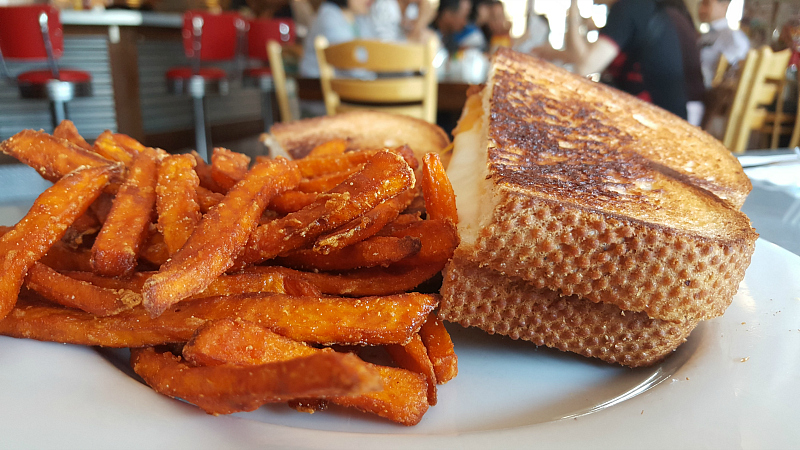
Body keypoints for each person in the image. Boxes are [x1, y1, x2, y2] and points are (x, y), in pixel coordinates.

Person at [534, 0, 689, 120]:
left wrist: (574, 11)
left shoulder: (628, 7)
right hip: (647, 114)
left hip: (657, 122)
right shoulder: (634, 7)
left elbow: (585, 66)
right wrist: (556, 53)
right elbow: (582, 57)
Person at [298, 0, 377, 78]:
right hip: (315, 86)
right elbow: (353, 66)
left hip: (346, 85)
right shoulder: (329, 16)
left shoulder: (358, 17)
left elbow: (373, 52)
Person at [697, 0, 750, 89]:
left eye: (706, 4)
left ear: (725, 6)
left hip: (708, 95)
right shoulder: (706, 36)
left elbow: (736, 74)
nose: (701, 9)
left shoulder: (734, 38)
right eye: (701, 4)